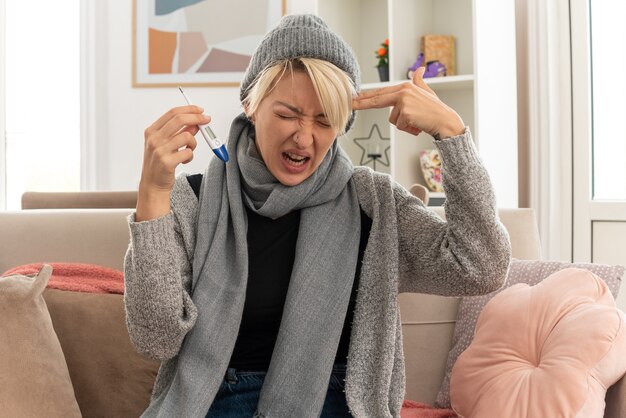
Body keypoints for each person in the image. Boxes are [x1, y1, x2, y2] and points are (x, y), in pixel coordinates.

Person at [124, 14, 511, 418]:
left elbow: (480, 266)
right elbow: (156, 339)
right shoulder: (194, 199)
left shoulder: (373, 202)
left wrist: (452, 134)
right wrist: (152, 194)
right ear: (251, 108)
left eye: (324, 119)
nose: (304, 136)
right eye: (288, 114)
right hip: (214, 402)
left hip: (337, 404)